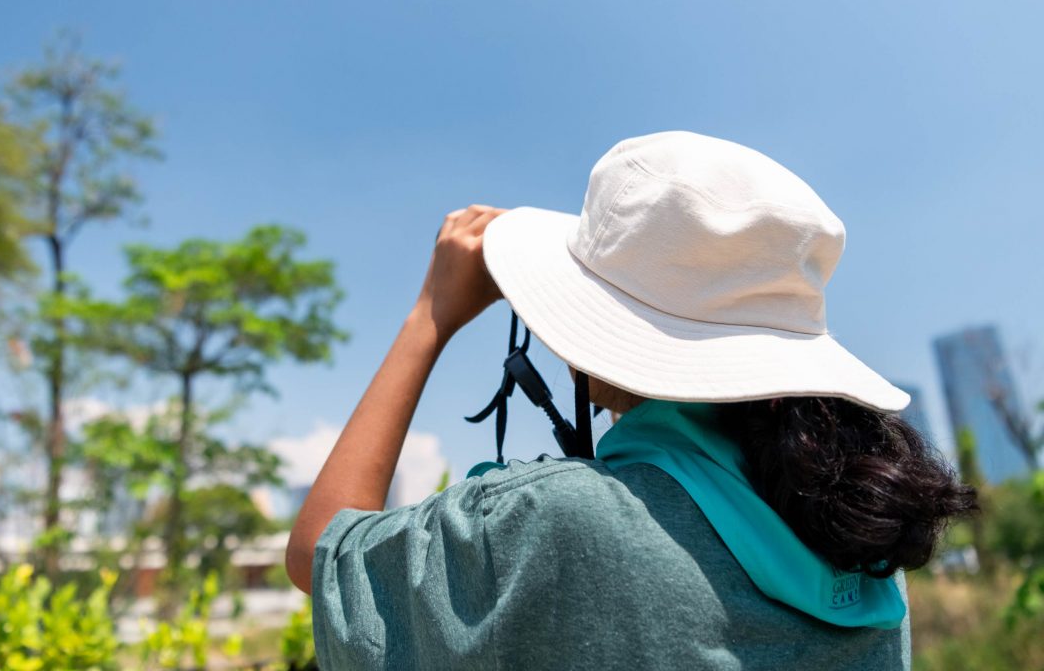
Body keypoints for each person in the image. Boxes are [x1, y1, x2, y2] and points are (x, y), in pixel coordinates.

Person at [285, 131, 976, 670]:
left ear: (594, 337)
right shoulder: (862, 535)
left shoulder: (556, 523)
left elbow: (321, 554)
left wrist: (431, 314)